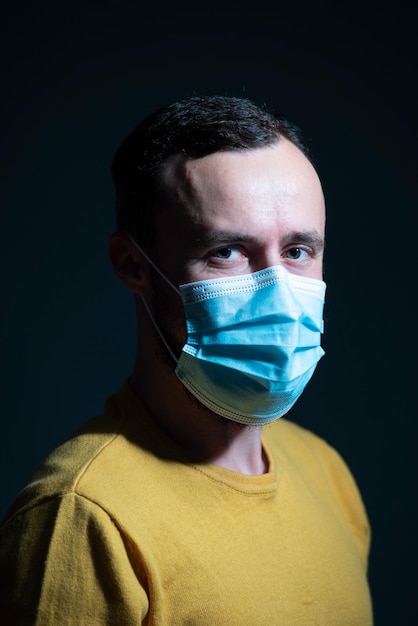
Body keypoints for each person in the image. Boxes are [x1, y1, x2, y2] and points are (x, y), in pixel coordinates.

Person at [0, 95, 373, 624]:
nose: (278, 291)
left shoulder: (326, 472)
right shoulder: (83, 517)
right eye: (226, 252)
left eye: (297, 251)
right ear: (133, 264)